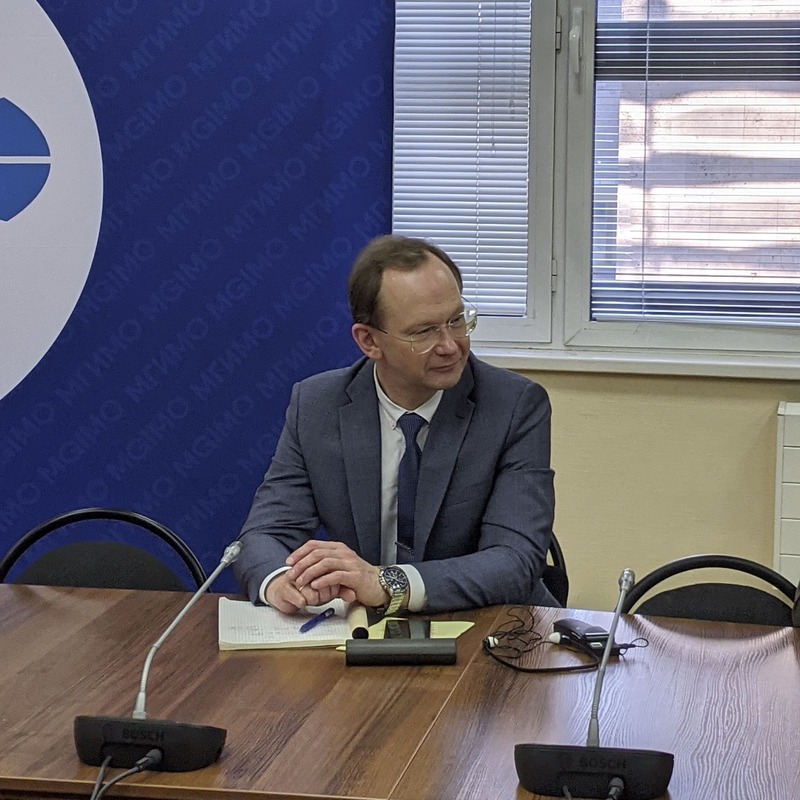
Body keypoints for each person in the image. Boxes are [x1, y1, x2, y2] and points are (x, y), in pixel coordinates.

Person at [233, 234, 558, 614]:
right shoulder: (318, 405)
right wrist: (280, 581)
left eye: (456, 320)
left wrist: (386, 583)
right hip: (365, 627)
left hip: (490, 624)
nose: (450, 345)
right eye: (423, 331)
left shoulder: (514, 406)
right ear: (369, 341)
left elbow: (515, 561)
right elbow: (264, 534)